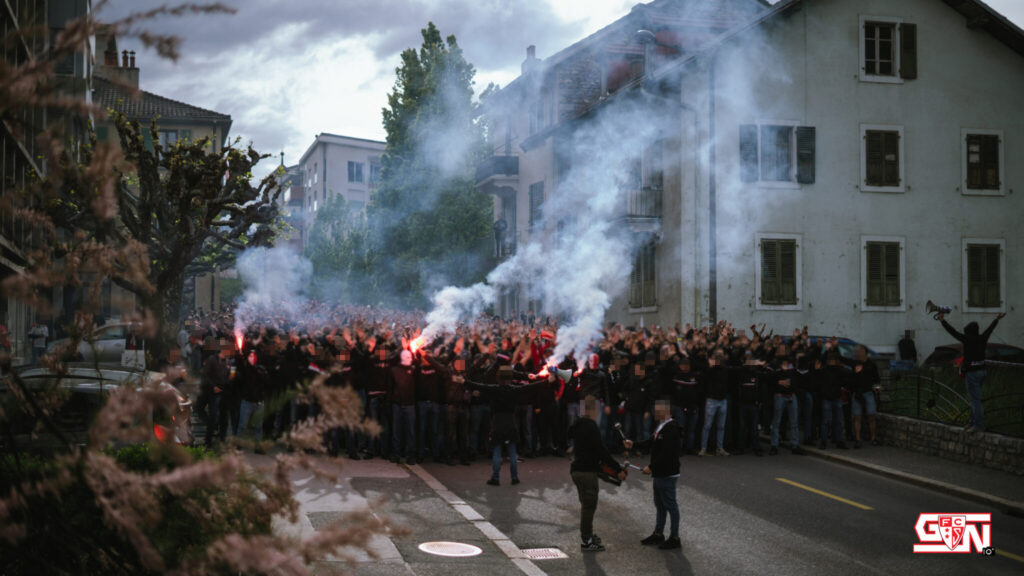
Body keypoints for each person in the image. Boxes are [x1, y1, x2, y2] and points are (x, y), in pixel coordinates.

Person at [568, 395, 626, 552]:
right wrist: (618, 469)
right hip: (587, 471)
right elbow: (601, 451)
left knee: (586, 505)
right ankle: (587, 540)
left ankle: (588, 535)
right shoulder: (591, 426)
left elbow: (569, 436)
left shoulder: (577, 424)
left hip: (577, 470)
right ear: (592, 409)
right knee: (589, 507)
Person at [624, 398, 682, 550]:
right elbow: (651, 442)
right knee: (660, 505)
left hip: (667, 473)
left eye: (659, 410)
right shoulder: (661, 426)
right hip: (660, 473)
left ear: (667, 411)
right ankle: (658, 534)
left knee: (671, 506)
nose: (655, 412)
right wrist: (634, 444)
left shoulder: (671, 428)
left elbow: (666, 453)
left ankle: (675, 537)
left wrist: (651, 466)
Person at [938, 311, 1006, 432]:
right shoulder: (983, 338)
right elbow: (990, 329)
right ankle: (972, 422)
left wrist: (942, 320)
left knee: (975, 400)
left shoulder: (967, 339)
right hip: (982, 371)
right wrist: (997, 319)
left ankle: (979, 425)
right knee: (974, 399)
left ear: (968, 331)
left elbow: (952, 331)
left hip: (972, 373)